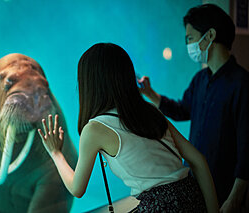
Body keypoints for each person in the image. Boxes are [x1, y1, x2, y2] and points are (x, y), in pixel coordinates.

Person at [38, 43, 219, 212]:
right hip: (191, 196)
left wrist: (56, 153)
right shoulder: (150, 111)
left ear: (88, 83)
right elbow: (198, 160)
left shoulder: (94, 129)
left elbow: (77, 189)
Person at [138, 4, 249, 212]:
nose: (188, 44)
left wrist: (235, 198)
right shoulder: (200, 79)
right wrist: (151, 94)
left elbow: (246, 152)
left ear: (210, 36)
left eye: (190, 38)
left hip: (226, 192)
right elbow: (182, 110)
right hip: (197, 186)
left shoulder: (241, 84)